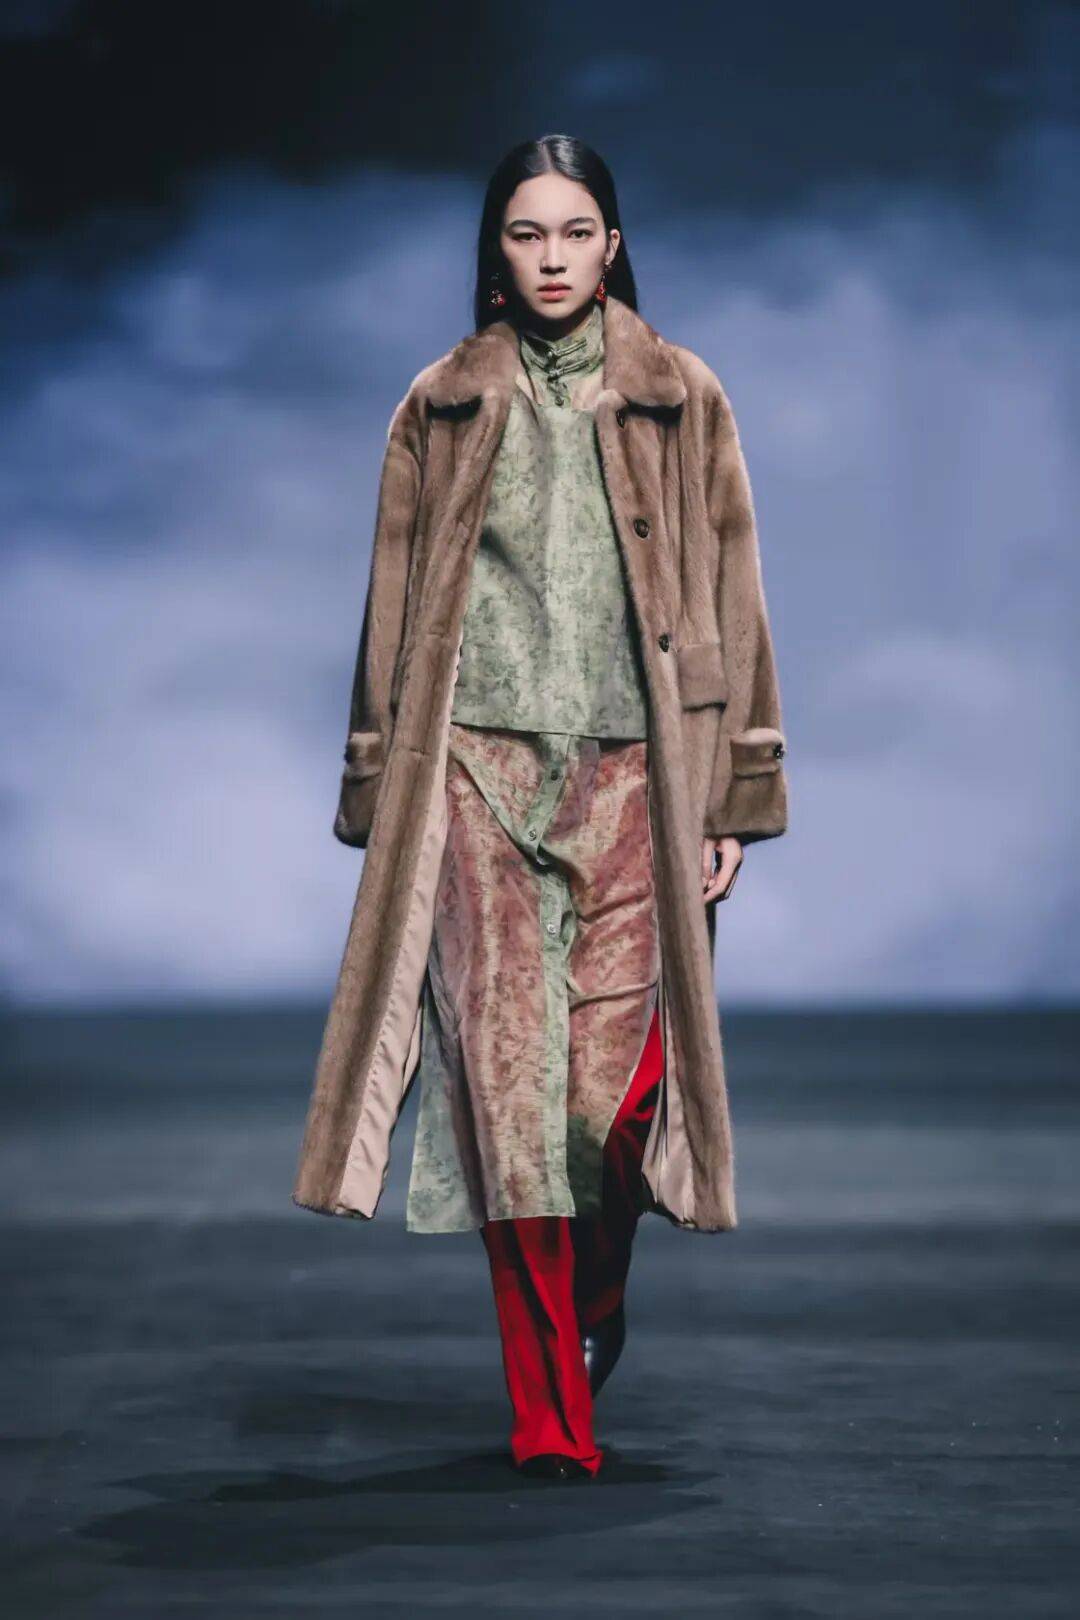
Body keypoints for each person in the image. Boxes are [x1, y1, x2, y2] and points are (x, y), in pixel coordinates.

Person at [292, 134, 789, 1483]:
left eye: (576, 232)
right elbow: (391, 609)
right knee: (513, 1109)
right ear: (496, 251)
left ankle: (598, 1291)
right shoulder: (441, 405)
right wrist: (378, 779)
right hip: (476, 779)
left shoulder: (683, 396)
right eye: (527, 233)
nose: (553, 257)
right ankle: (549, 1417)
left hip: (638, 780)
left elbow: (735, 594)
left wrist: (733, 792)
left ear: (613, 244)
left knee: (608, 1113)